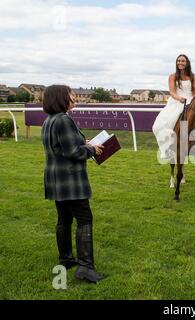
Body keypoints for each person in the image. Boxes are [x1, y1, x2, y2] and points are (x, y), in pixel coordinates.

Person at [41, 85, 104, 283]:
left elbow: (66, 145)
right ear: (61, 97)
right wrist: (93, 150)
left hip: (55, 178)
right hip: (70, 179)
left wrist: (86, 142)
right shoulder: (64, 119)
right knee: (84, 218)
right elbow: (73, 152)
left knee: (64, 219)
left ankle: (66, 258)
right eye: (71, 94)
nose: (74, 96)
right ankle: (85, 268)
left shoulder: (50, 120)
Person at [152, 54, 195, 159]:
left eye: (183, 61)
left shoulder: (192, 76)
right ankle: (167, 149)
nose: (180, 63)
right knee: (162, 124)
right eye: (178, 61)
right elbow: (171, 92)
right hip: (177, 102)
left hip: (191, 102)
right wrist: (179, 98)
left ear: (187, 63)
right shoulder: (172, 76)